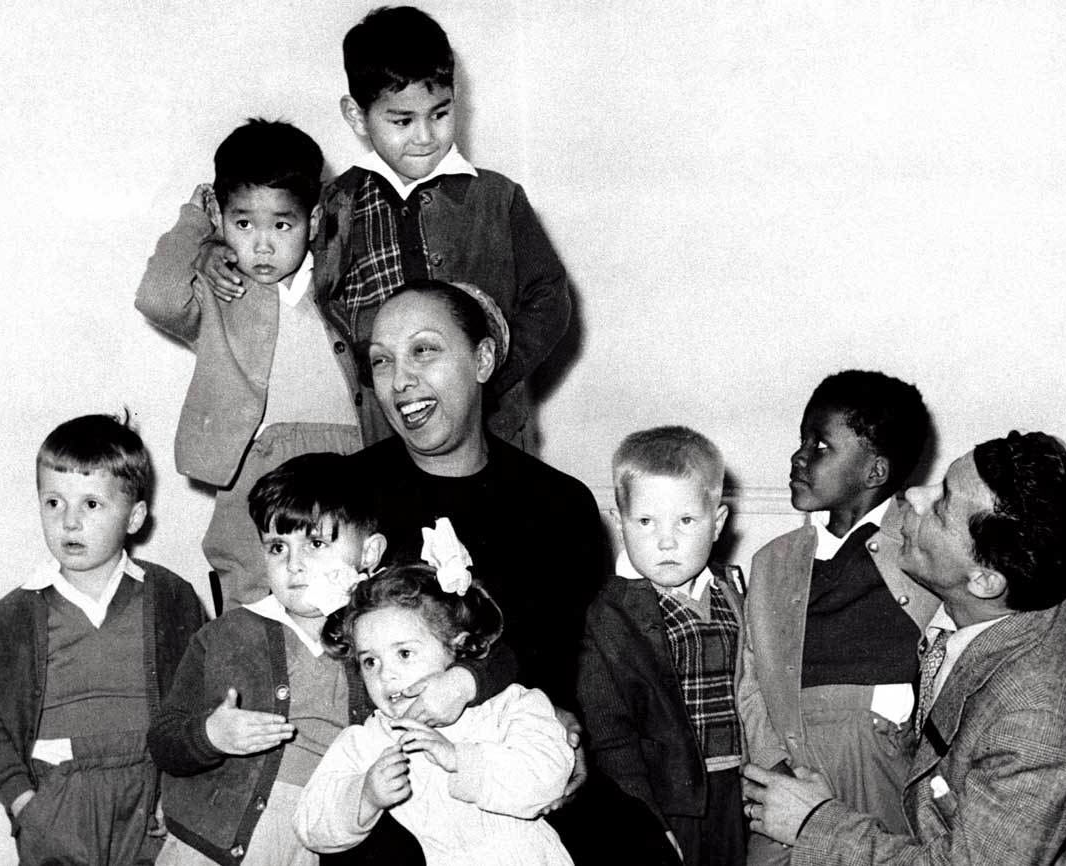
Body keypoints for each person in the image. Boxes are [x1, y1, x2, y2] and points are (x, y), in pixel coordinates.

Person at [338, 279, 675, 865]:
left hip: (519, 746)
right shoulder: (346, 495)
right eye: (382, 361)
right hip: (395, 770)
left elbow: (562, 664)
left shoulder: (559, 503)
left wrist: (566, 739)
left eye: (424, 350)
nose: (401, 381)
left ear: (484, 359)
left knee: (637, 850)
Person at [743, 431, 1066, 866]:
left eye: (942, 503)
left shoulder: (1036, 721)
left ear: (985, 581)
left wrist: (814, 822)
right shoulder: (1029, 585)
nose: (913, 494)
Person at [196, 6, 571, 454]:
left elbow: (550, 296)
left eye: (440, 113)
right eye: (402, 120)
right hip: (384, 436)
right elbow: (273, 244)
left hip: (492, 433)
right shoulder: (335, 203)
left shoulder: (497, 196)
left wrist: (495, 374)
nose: (425, 137)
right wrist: (213, 246)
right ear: (357, 116)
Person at [135, 118, 363, 610]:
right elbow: (157, 298)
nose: (262, 244)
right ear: (221, 217)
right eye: (244, 224)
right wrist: (198, 228)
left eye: (282, 225)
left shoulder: (339, 278)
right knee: (252, 585)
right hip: (255, 462)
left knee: (347, 595)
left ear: (314, 218)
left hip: (349, 458)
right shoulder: (224, 289)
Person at [0, 413, 205, 866]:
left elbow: (198, 699)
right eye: (53, 503)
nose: (69, 522)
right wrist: (23, 804)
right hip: (60, 799)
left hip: (151, 793)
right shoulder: (13, 617)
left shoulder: (171, 597)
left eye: (91, 504)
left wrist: (179, 793)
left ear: (134, 517)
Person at [147, 452, 388, 866]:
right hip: (208, 846)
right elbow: (163, 740)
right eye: (278, 547)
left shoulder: (383, 640)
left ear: (369, 554)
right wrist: (210, 736)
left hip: (309, 844)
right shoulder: (227, 634)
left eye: (315, 543)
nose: (294, 565)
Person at [745, 370, 937, 855]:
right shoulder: (773, 562)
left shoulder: (921, 549)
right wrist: (775, 765)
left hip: (878, 770)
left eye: (822, 445)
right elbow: (748, 677)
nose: (799, 455)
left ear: (875, 472)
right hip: (789, 769)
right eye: (802, 439)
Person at [577, 426, 786, 866]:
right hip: (666, 797)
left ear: (718, 523)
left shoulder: (735, 591)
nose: (665, 540)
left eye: (686, 521)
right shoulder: (608, 616)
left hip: (739, 788)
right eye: (646, 522)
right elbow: (611, 736)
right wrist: (645, 819)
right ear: (620, 523)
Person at [297, 564, 575, 865]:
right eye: (370, 661)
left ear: (455, 647)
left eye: (404, 653)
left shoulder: (506, 705)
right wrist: (364, 796)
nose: (386, 675)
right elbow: (310, 825)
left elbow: (549, 776)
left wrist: (461, 760)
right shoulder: (372, 740)